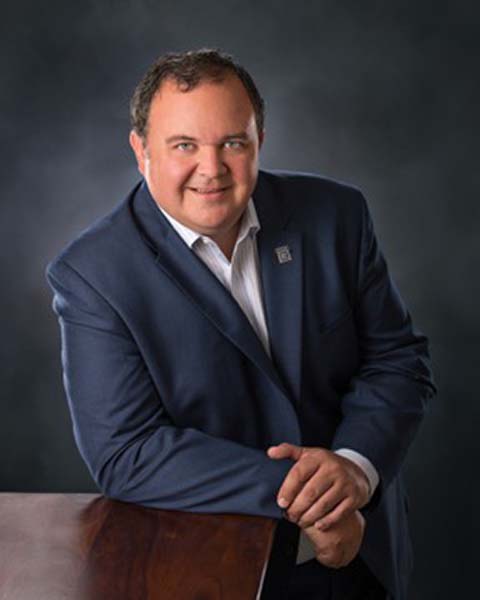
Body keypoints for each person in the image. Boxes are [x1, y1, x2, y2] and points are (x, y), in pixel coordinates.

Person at [46, 49, 435, 600]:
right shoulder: (92, 274)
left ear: (259, 141)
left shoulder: (337, 215)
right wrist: (314, 499)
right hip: (216, 565)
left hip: (362, 547)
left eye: (233, 142)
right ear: (141, 151)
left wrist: (354, 468)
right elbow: (127, 452)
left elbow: (396, 360)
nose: (212, 169)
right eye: (184, 145)